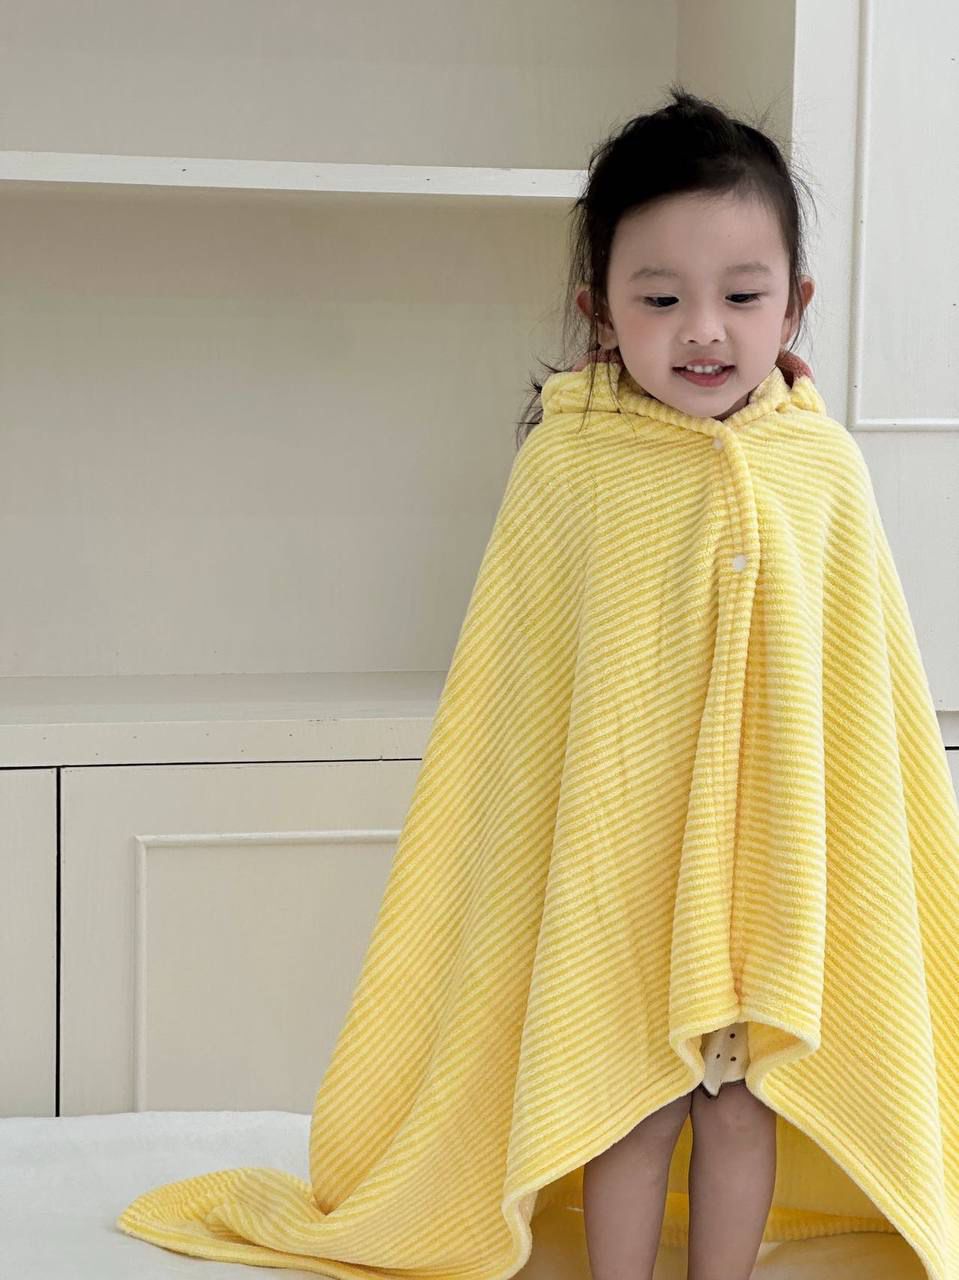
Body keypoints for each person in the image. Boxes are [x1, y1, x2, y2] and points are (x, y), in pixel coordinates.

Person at [117, 86, 959, 1280]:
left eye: (740, 295)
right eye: (659, 298)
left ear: (795, 304)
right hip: (613, 873)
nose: (703, 330)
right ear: (598, 309)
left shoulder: (819, 469)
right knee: (624, 1104)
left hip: (761, 874)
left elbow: (857, 709)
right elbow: (521, 702)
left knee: (740, 1105)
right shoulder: (570, 464)